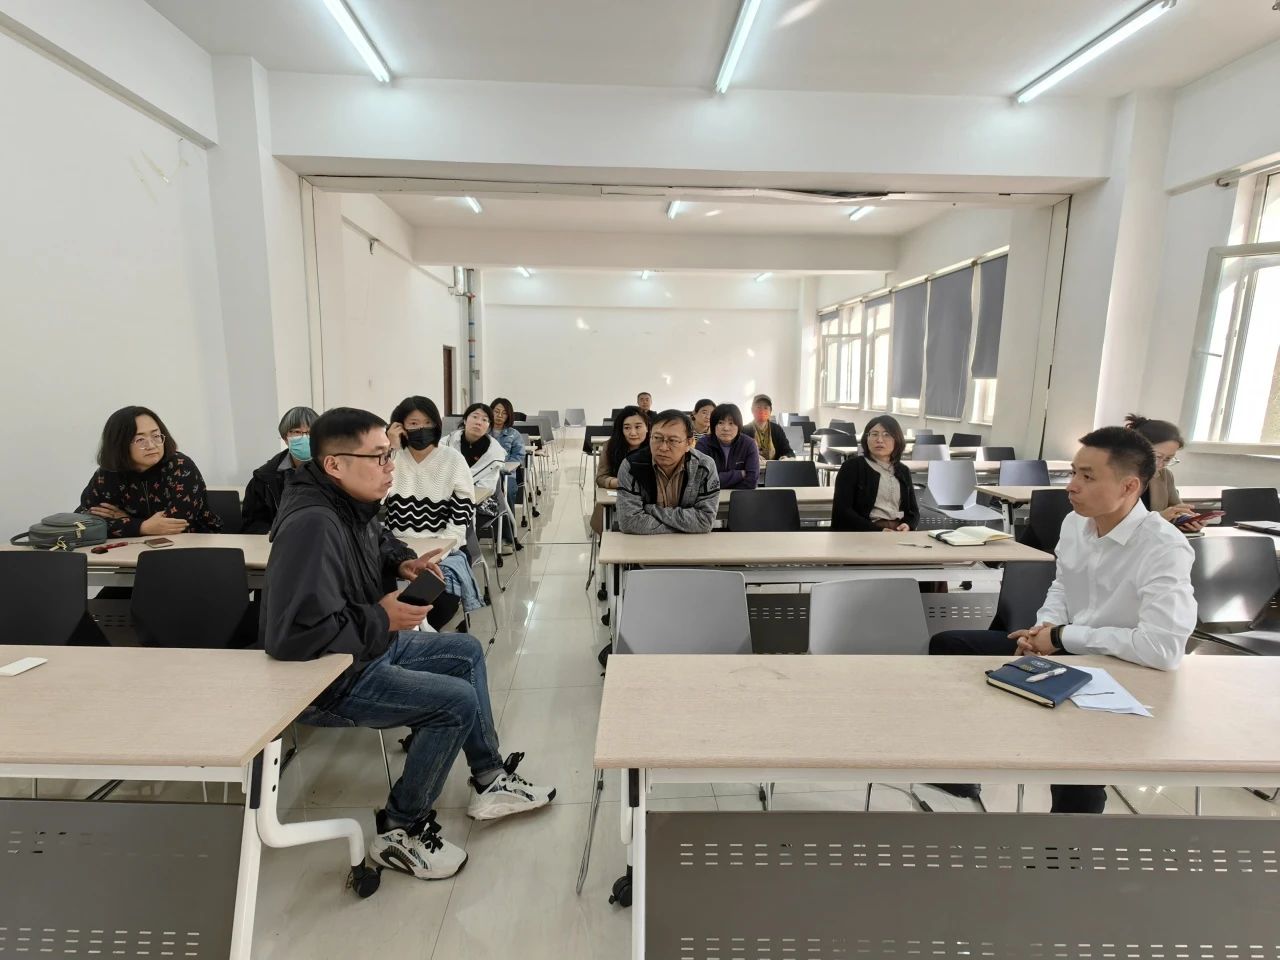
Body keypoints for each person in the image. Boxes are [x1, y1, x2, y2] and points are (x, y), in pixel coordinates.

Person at [262, 407, 553, 881]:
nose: (390, 467)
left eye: (389, 454)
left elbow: (380, 541)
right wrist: (382, 616)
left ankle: (489, 778)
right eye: (379, 457)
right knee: (454, 702)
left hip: (363, 647)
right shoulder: (313, 524)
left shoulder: (347, 501)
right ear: (334, 463)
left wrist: (404, 564)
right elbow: (293, 637)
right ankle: (401, 828)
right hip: (329, 677)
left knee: (465, 652)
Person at [929, 425, 1197, 814]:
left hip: (1123, 669)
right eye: (1073, 472)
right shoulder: (1075, 523)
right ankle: (959, 760)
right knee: (949, 644)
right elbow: (1062, 585)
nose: (1071, 486)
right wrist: (1044, 630)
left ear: (1128, 487)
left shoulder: (1164, 547)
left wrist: (1062, 637)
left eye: (1087, 477)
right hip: (1068, 649)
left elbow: (1162, 649)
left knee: (1077, 771)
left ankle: (1070, 844)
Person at [383, 396, 482, 630]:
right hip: (395, 548)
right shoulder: (391, 459)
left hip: (443, 548)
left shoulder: (452, 459)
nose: (421, 429)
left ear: (437, 425)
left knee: (438, 602)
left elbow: (462, 515)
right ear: (399, 426)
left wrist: (439, 551)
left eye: (427, 423)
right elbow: (373, 501)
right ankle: (402, 638)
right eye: (413, 423)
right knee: (379, 596)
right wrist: (390, 449)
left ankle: (418, 638)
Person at [79, 405, 221, 537]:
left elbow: (175, 525)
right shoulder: (108, 474)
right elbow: (83, 522)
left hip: (197, 545)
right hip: (132, 549)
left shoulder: (180, 466)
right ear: (119, 444)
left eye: (156, 436)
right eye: (140, 439)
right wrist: (142, 526)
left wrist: (130, 521)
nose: (152, 445)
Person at [616, 409, 720, 534]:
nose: (663, 447)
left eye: (673, 440)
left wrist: (650, 510)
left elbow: (704, 521)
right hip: (644, 543)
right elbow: (629, 522)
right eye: (657, 438)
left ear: (689, 443)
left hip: (690, 543)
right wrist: (685, 526)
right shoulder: (631, 466)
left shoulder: (704, 466)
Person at [443, 402, 520, 553]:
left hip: (481, 503)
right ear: (465, 419)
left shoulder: (494, 453)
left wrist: (459, 496)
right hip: (446, 498)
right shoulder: (445, 443)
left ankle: (462, 556)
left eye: (485, 419)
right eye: (475, 417)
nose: (479, 422)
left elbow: (486, 489)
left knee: (460, 521)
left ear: (488, 426)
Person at [830, 415, 919, 532]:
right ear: (866, 438)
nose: (879, 440)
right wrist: (877, 530)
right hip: (863, 532)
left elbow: (913, 511)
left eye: (887, 434)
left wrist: (908, 525)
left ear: (897, 440)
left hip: (898, 532)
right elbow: (842, 511)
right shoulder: (852, 467)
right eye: (874, 434)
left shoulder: (903, 470)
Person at [241, 406, 319, 534]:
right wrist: (271, 533)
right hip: (279, 541)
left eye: (310, 432)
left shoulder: (334, 473)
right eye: (297, 432)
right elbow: (252, 524)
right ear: (285, 438)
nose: (304, 437)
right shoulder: (264, 478)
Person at [1124, 414, 1201, 531]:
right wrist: (1158, 518)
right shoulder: (1113, 475)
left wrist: (1188, 521)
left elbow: (1176, 510)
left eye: (1168, 459)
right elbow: (1109, 524)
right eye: (1157, 456)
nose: (1161, 464)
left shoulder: (1165, 476)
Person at [591, 405, 649, 536]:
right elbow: (601, 477)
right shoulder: (610, 446)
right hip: (617, 497)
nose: (633, 433)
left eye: (638, 427)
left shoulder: (656, 447)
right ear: (621, 430)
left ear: (647, 427)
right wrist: (620, 482)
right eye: (627, 428)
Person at [695, 403, 759, 490]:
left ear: (739, 426)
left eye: (731, 423)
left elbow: (752, 481)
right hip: (710, 496)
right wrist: (739, 474)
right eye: (720, 423)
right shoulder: (703, 444)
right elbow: (701, 480)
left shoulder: (749, 444)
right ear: (713, 425)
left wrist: (717, 481)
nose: (726, 428)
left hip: (739, 495)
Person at [488, 396, 525, 508]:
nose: (499, 415)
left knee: (508, 491)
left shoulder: (514, 434)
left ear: (508, 416)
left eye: (504, 413)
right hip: (485, 473)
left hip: (507, 474)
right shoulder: (483, 431)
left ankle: (508, 519)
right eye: (496, 411)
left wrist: (502, 467)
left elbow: (518, 457)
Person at [743, 394, 795, 464]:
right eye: (758, 407)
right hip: (752, 468)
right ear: (752, 410)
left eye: (766, 408)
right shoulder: (744, 430)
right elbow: (740, 454)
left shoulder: (777, 429)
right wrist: (752, 457)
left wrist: (786, 457)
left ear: (770, 411)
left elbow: (788, 451)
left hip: (774, 468)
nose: (762, 411)